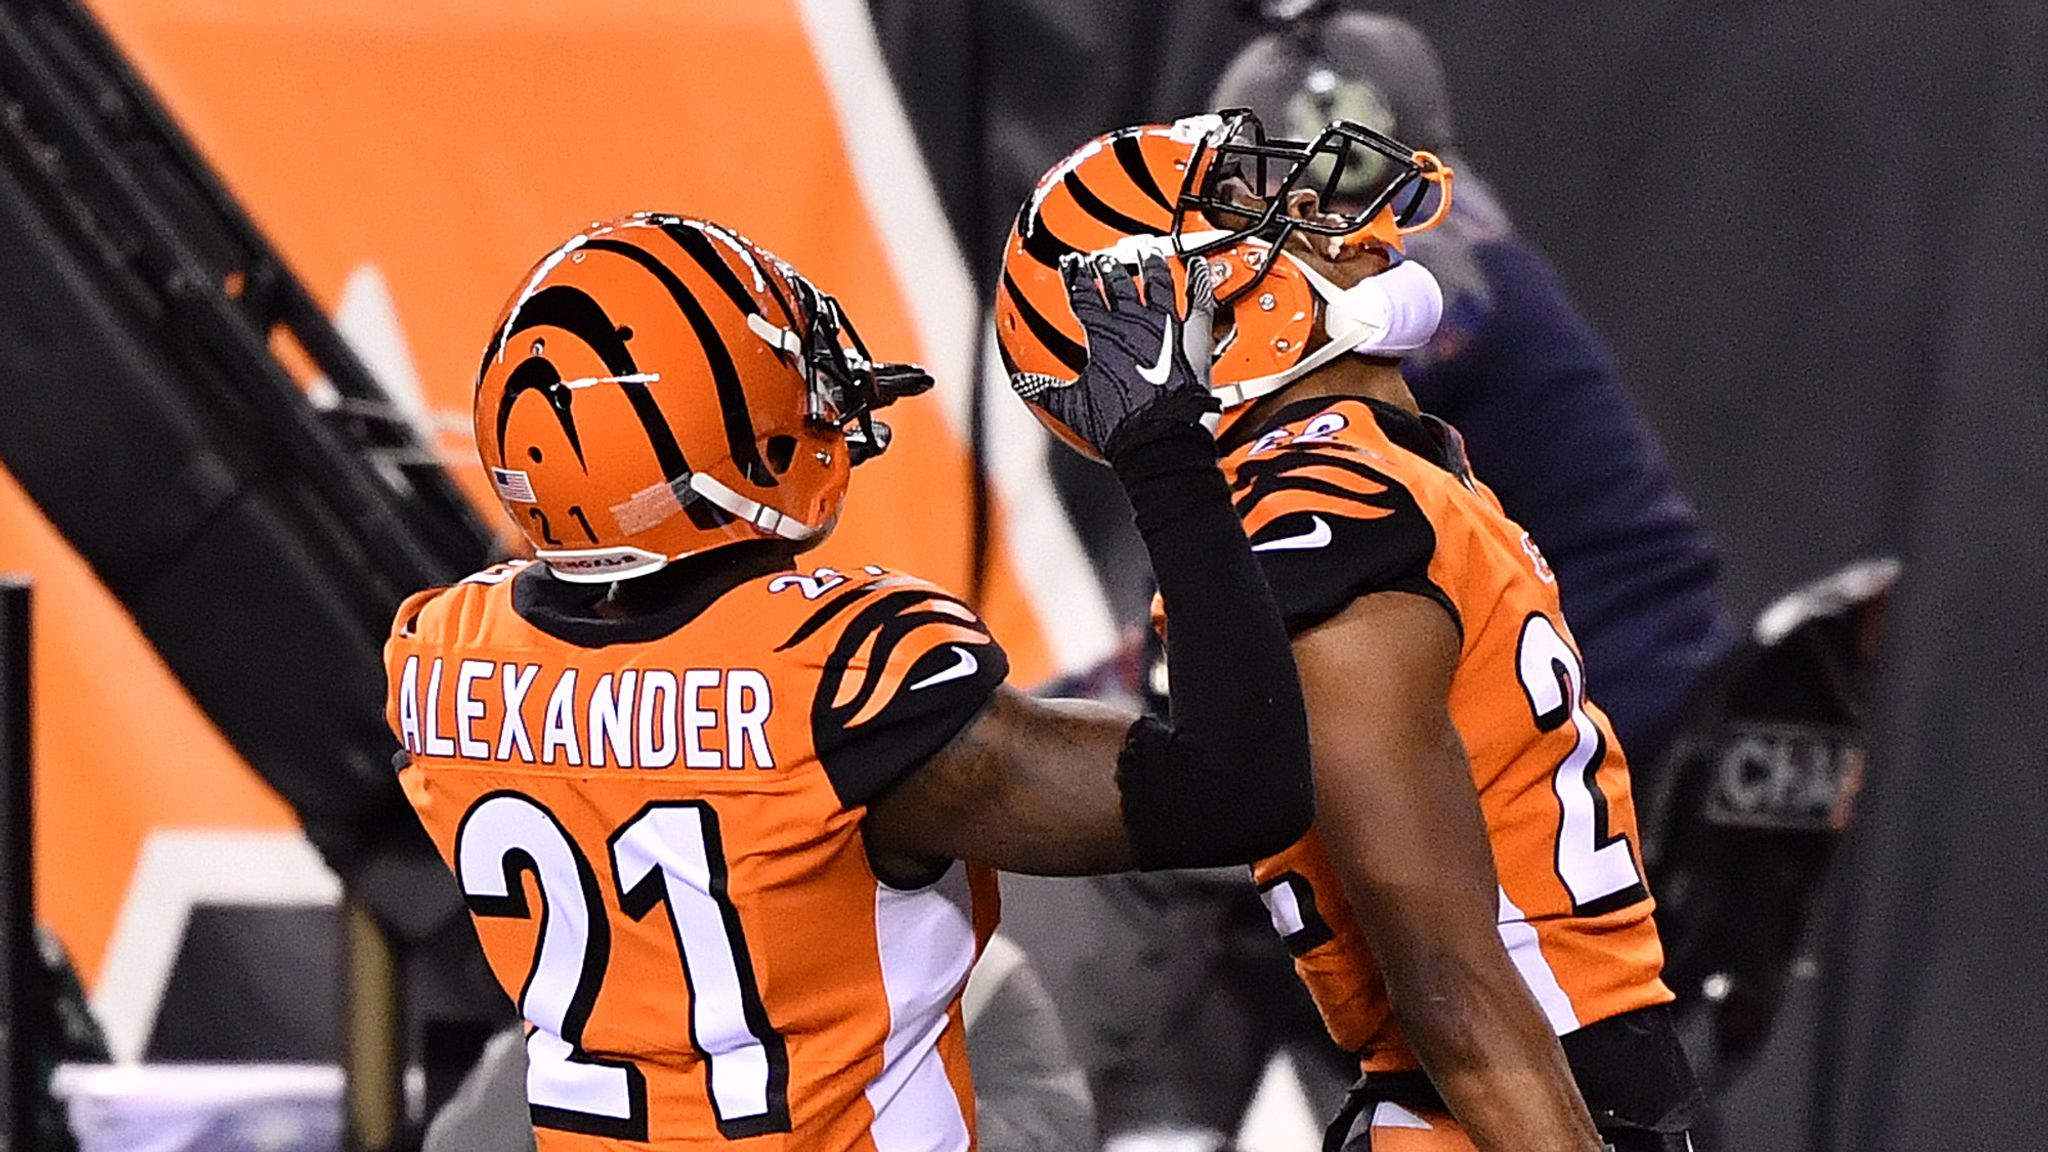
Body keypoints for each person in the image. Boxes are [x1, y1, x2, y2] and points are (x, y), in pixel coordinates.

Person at [385, 212, 1313, 1148]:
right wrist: (1167, 454)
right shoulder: (839, 685)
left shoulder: (442, 656)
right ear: (723, 449)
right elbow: (1239, 788)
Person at [998, 114, 1702, 1151]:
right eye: (1251, 212)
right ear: (1191, 308)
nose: (1330, 216)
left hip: (1545, 1087)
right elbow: (1447, 980)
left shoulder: (1372, 468)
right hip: (1501, 1105)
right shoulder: (1322, 513)